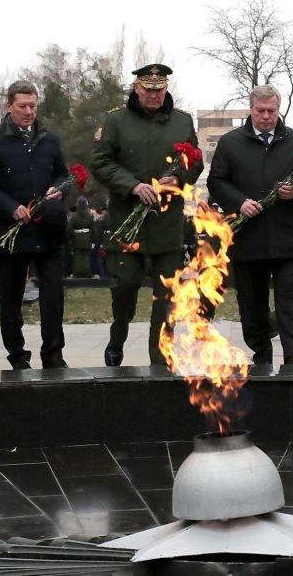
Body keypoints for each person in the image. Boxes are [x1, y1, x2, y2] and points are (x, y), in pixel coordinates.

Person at [90, 64, 203, 366]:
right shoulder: (116, 121)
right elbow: (100, 162)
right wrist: (133, 186)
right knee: (125, 285)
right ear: (136, 89)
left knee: (166, 294)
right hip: (128, 224)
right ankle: (117, 338)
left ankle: (160, 356)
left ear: (166, 89)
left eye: (159, 89)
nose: (154, 95)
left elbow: (195, 161)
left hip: (167, 224)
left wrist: (179, 179)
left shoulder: (182, 121)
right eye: (148, 89)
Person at [208, 84, 293, 365]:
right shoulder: (230, 143)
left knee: (288, 299)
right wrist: (239, 202)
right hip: (248, 238)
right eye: (261, 111)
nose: (266, 116)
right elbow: (216, 182)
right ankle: (261, 351)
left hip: (287, 236)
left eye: (272, 110)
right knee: (252, 301)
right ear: (251, 109)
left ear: (278, 109)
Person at [0, 80, 70, 370]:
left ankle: (53, 355)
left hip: (47, 231)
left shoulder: (50, 140)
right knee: (12, 299)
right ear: (9, 106)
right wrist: (10, 207)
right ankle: (17, 356)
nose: (29, 112)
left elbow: (63, 175)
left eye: (33, 106)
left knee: (53, 296)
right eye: (22, 106)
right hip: (11, 233)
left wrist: (59, 189)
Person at [67, 196, 94, 277]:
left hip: (77, 238)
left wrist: (72, 237)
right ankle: (86, 272)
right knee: (86, 256)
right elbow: (93, 229)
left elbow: (69, 228)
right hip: (87, 238)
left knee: (77, 256)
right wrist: (92, 239)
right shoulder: (90, 216)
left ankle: (77, 273)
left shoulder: (74, 216)